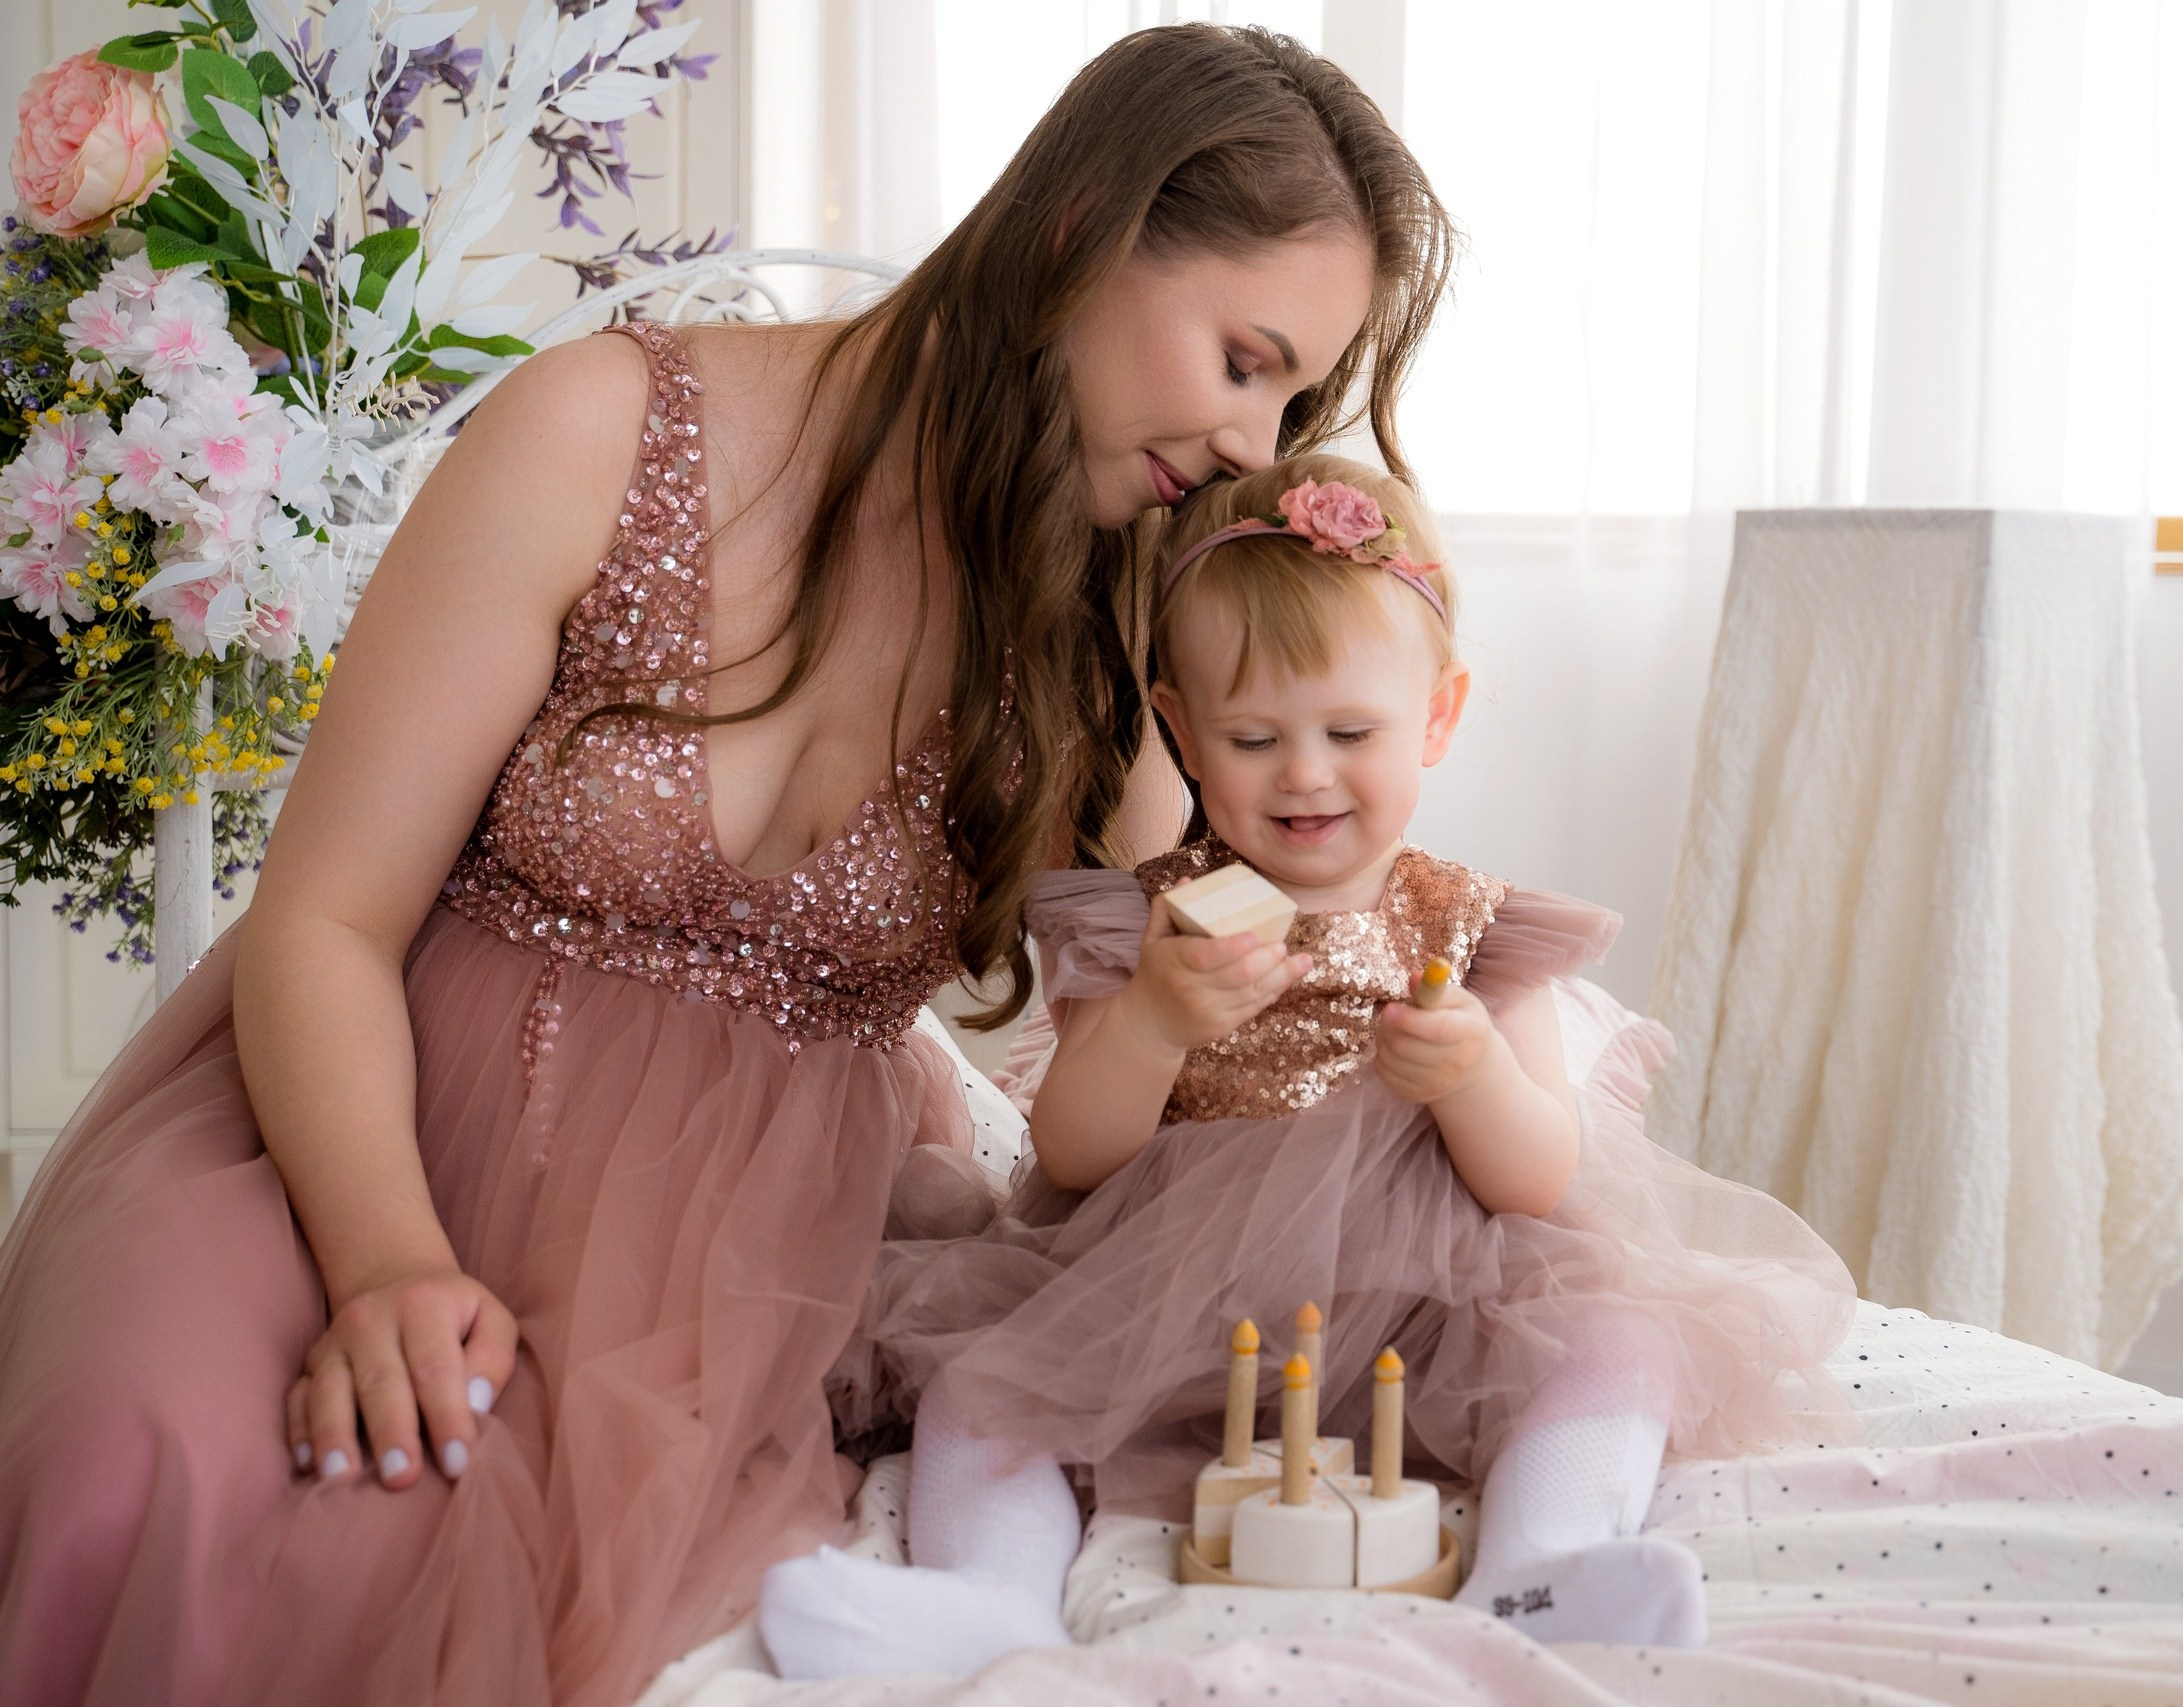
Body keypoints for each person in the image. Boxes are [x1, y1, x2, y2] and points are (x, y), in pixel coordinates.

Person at [0, 26, 1453, 1707]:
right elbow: (326, 913)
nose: (1258, 438)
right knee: (144, 1450)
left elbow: (1170, 1046)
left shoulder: (1110, 625)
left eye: (1296, 402)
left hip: (721, 1260)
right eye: (1245, 361)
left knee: (434, 1551)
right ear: (1082, 229)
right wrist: (387, 1260)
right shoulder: (603, 428)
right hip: (350, 1127)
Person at [762, 456, 1856, 1679]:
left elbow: (1538, 1179)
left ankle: (1541, 1562)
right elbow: (1071, 1151)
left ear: (1436, 716)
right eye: (1252, 737)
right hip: (1168, 1302)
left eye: (1349, 732)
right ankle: (990, 1595)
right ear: (1182, 730)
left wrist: (1473, 1078)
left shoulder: (1475, 931)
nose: (1304, 773)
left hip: (1430, 1317)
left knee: (1620, 1346)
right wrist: (1153, 1023)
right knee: (980, 1390)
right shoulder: (1144, 926)